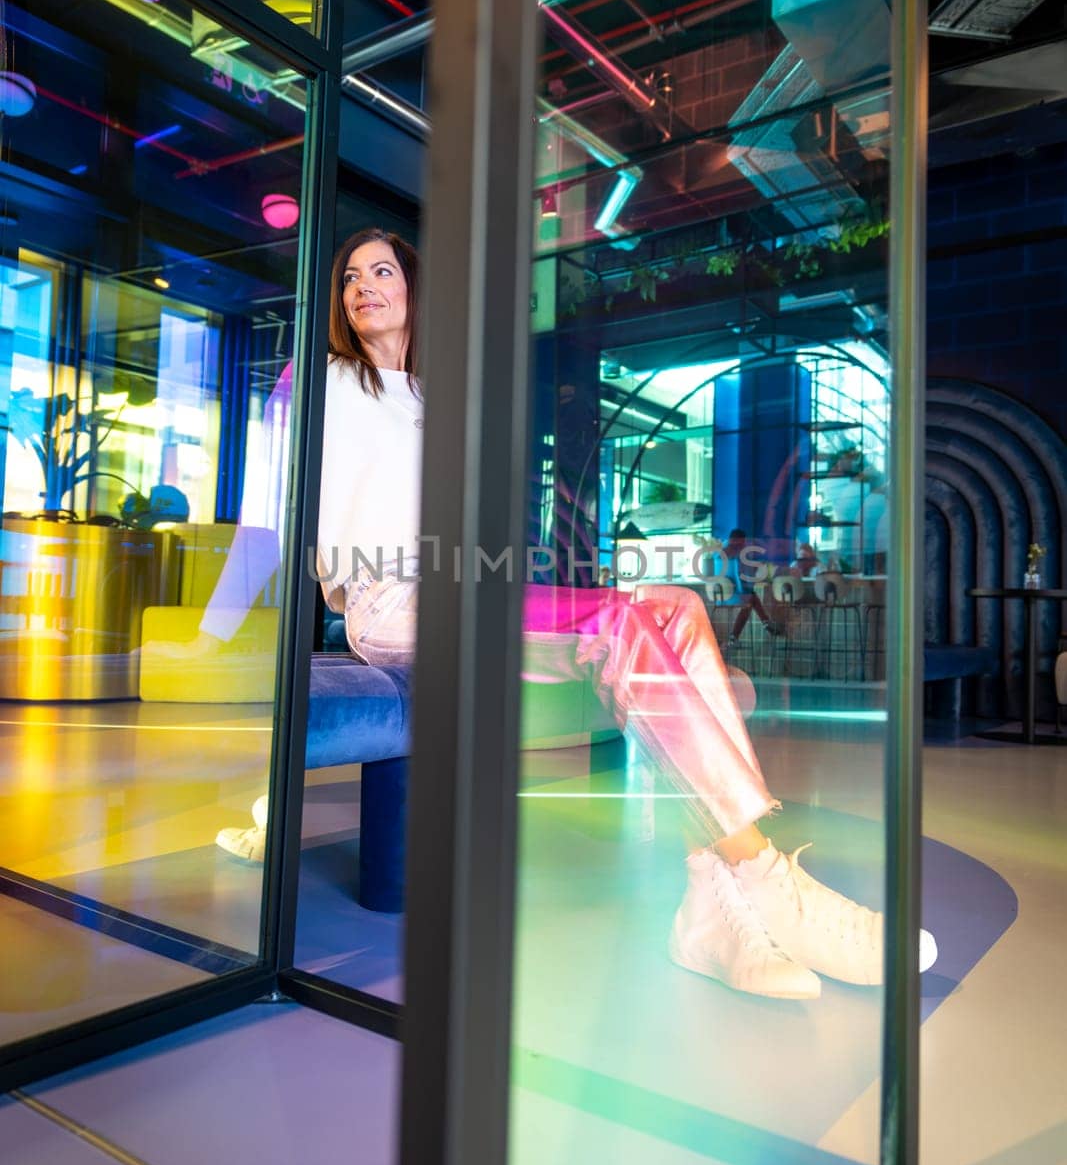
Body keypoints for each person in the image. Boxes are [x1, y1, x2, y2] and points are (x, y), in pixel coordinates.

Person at [211, 228, 936, 1000]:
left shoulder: (443, 397)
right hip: (388, 602)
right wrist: (215, 633)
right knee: (626, 628)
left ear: (414, 289)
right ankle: (760, 875)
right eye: (349, 275)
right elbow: (269, 513)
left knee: (676, 607)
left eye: (382, 270)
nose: (362, 285)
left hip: (472, 587)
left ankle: (713, 899)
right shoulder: (317, 380)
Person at [715, 528, 782, 643]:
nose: (744, 544)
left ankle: (736, 637)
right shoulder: (737, 556)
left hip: (718, 597)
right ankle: (763, 623)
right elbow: (743, 578)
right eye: (743, 542)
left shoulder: (717, 555)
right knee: (750, 599)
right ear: (740, 541)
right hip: (733, 596)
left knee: (750, 598)